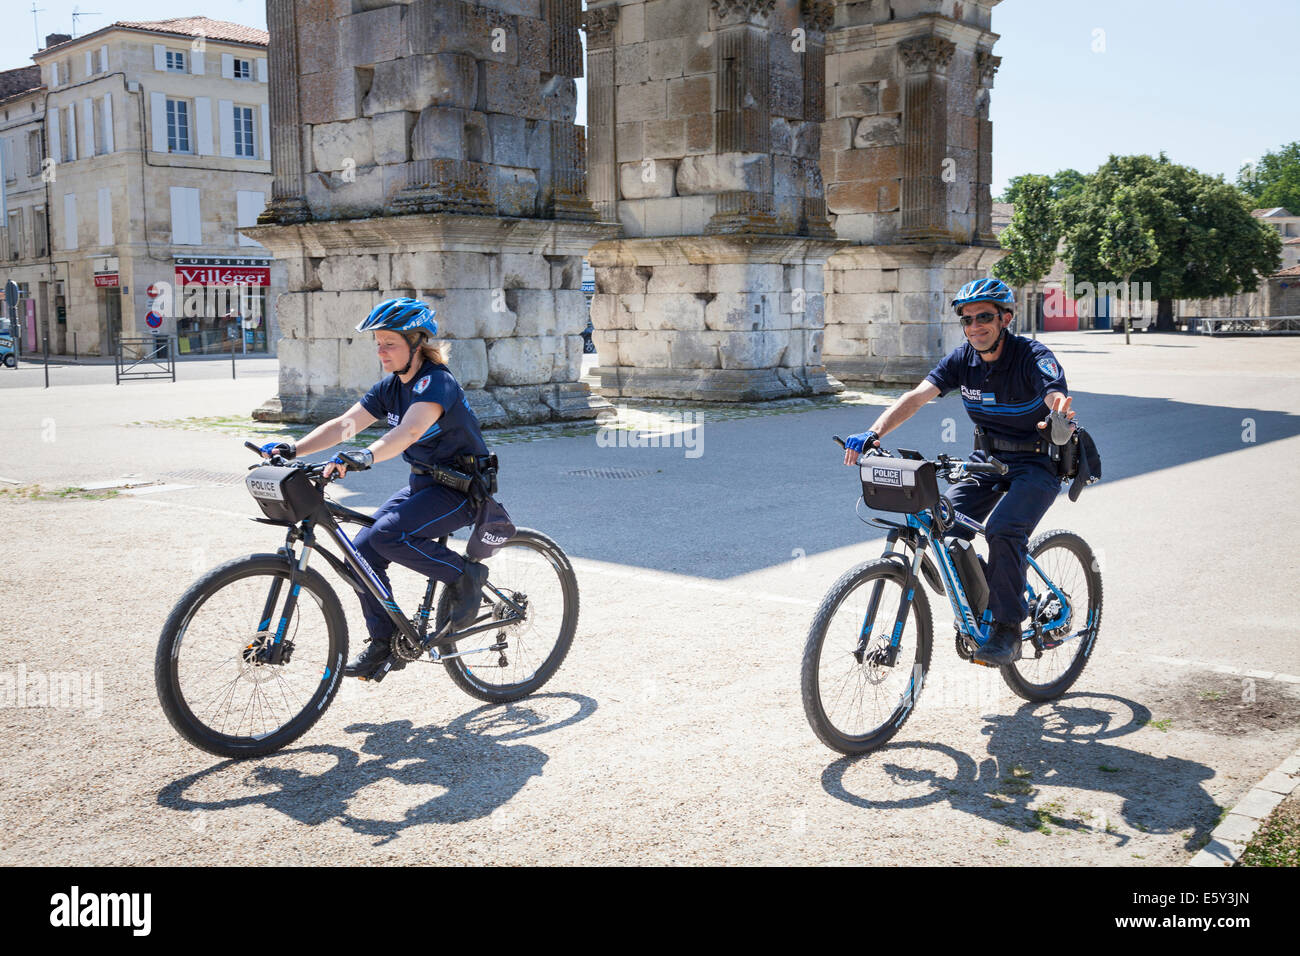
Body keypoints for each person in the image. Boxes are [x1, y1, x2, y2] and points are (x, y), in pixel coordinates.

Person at [842, 277, 1078, 666]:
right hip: (986, 462)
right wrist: (873, 432)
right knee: (943, 523)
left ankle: (1008, 628)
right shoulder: (961, 360)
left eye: (984, 317)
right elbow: (917, 397)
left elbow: (1055, 393)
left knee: (1004, 530)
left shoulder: (1031, 354)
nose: (974, 327)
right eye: (966, 319)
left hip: (1037, 462)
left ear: (1006, 318)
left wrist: (1059, 415)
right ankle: (988, 601)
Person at [258, 297, 491, 679]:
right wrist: (293, 447)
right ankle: (385, 645)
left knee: (386, 535)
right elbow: (344, 425)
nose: (381, 351)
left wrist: (364, 456)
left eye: (390, 343)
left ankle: (465, 575)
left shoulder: (436, 382)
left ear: (417, 344)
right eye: (378, 343)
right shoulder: (390, 387)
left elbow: (410, 431)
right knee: (362, 550)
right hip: (424, 485)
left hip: (461, 490)